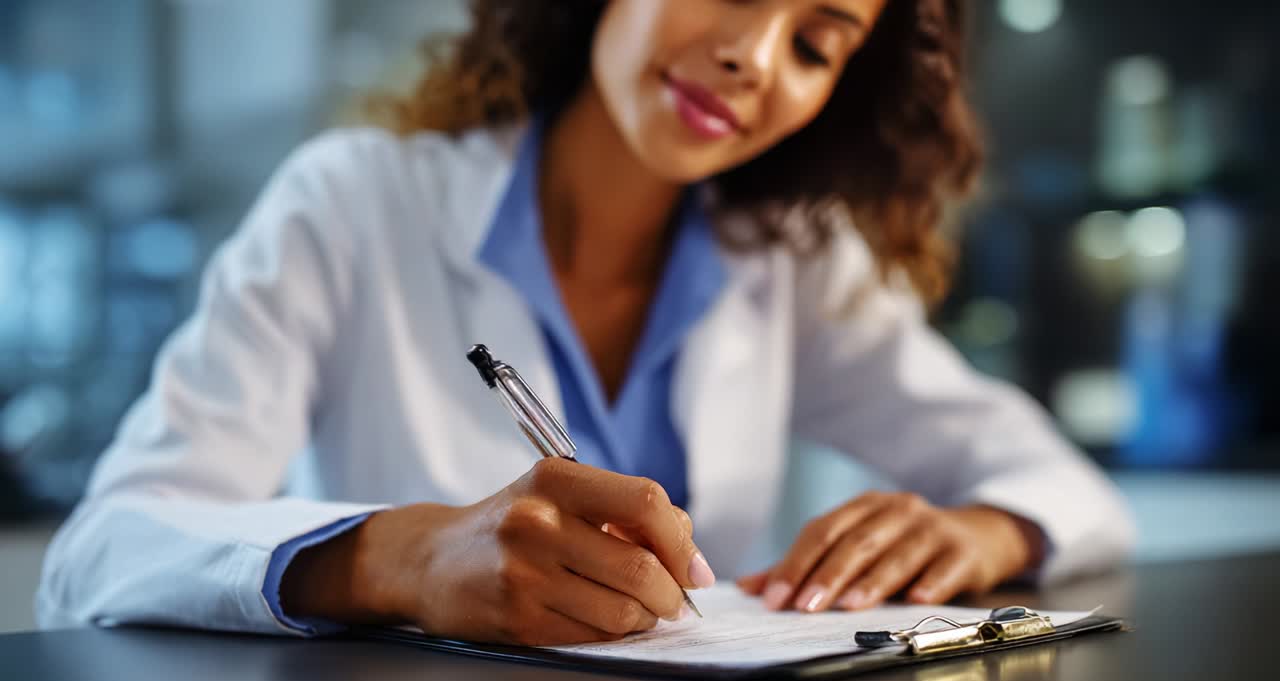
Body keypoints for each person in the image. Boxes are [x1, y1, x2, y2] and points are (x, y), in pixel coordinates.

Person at [37, 0, 1133, 646]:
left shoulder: (790, 262)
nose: (754, 58)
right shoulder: (353, 203)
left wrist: (983, 531)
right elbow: (99, 552)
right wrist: (395, 557)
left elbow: (1058, 482)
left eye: (815, 41)